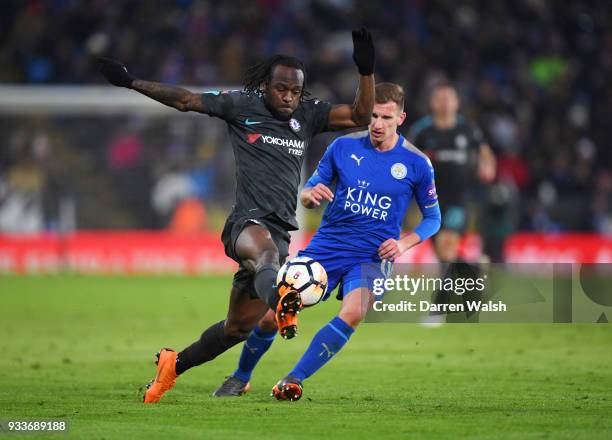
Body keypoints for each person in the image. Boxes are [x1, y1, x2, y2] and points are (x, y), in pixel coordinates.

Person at [98, 28, 376, 404]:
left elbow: (361, 114)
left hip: (280, 230)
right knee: (267, 259)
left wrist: (366, 69)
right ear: (265, 85)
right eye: (282, 89)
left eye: (295, 91)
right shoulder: (241, 105)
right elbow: (185, 100)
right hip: (246, 223)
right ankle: (284, 302)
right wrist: (131, 82)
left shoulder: (309, 115)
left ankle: (171, 366)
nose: (289, 97)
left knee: (237, 329)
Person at [212, 83, 441, 401]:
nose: (377, 124)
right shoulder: (343, 147)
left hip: (372, 254)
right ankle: (240, 377)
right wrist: (308, 196)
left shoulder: (417, 163)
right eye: (373, 115)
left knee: (354, 312)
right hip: (328, 246)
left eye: (386, 117)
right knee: (271, 314)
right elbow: (309, 192)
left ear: (401, 118)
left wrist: (404, 243)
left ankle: (294, 379)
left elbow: (433, 219)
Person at [408, 81, 496, 323]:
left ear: (456, 103)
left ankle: (437, 309)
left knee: (447, 249)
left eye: (450, 98)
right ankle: (475, 268)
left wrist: (487, 167)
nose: (445, 103)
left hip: (460, 199)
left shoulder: (466, 130)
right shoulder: (423, 131)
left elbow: (485, 153)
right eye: (441, 98)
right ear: (433, 103)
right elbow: (407, 157)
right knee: (444, 257)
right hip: (430, 201)